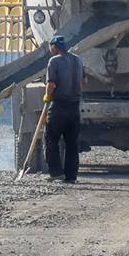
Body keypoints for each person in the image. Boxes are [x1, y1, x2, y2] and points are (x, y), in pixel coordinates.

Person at [43, 35, 84, 184]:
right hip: (74, 106)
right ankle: (71, 176)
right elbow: (83, 82)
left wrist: (47, 97)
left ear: (54, 47)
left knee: (51, 139)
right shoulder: (77, 59)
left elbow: (51, 84)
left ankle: (55, 172)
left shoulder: (54, 61)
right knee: (72, 143)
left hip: (59, 105)